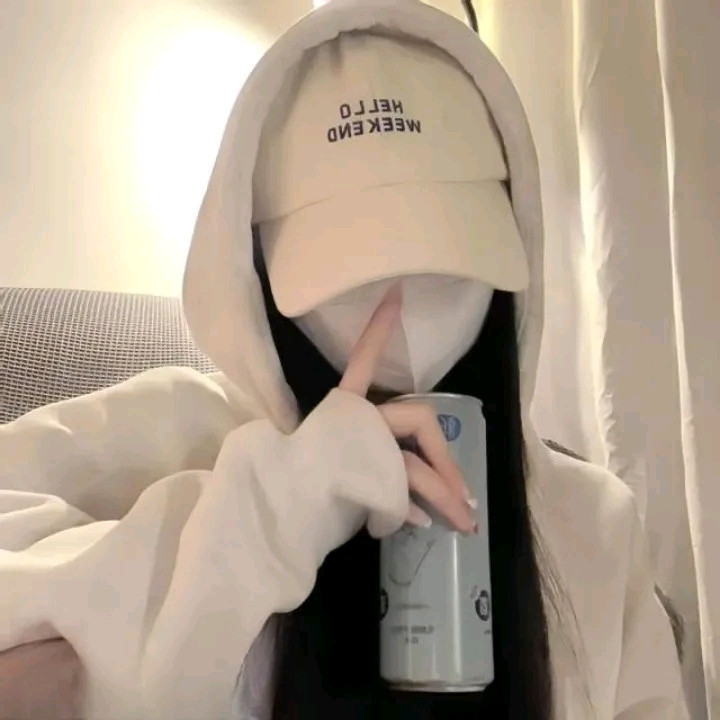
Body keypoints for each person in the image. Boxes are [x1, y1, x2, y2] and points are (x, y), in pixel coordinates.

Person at [0, 1, 687, 719]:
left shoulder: (591, 524)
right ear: (253, 266)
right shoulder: (172, 431)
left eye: (445, 261)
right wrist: (258, 524)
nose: (401, 313)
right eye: (351, 270)